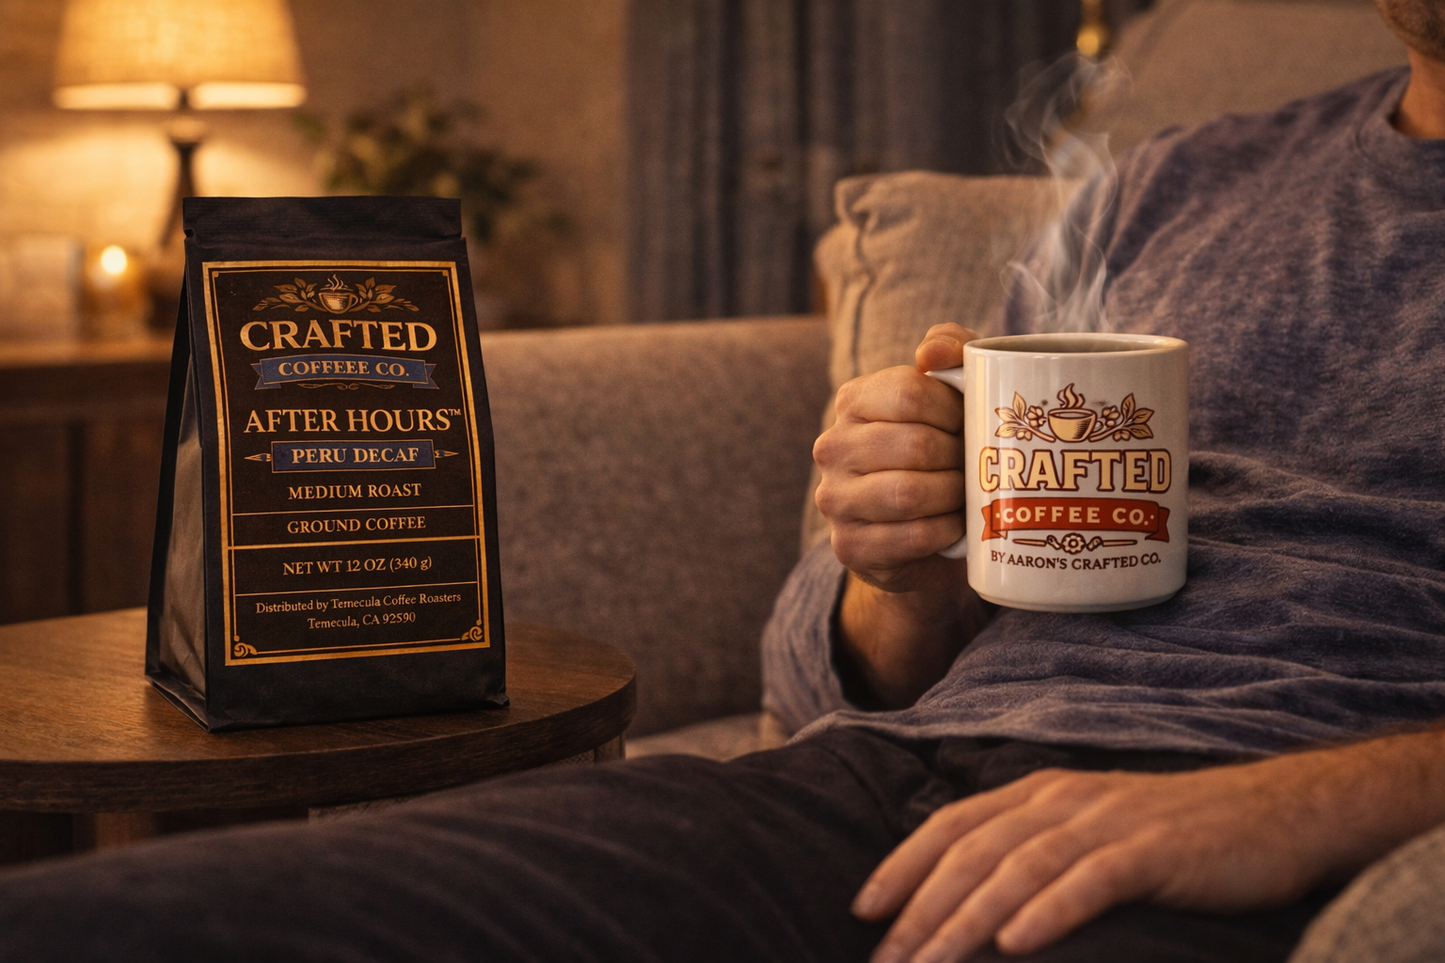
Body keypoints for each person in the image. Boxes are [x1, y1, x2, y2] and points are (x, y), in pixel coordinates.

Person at [1, 3, 1443, 961]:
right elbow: (814, 690)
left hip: (1278, 867)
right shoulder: (1176, 184)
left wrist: (1294, 804)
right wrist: (904, 578)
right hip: (877, 789)